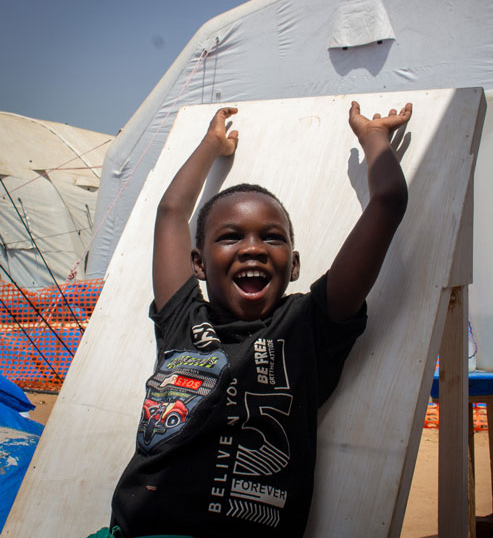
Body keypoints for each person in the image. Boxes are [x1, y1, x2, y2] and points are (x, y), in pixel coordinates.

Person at [99, 100, 412, 538]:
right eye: (230, 237)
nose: (252, 248)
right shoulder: (182, 322)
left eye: (271, 237)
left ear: (295, 265)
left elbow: (389, 201)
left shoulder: (309, 325)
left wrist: (374, 137)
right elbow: (171, 214)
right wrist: (212, 145)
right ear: (199, 264)